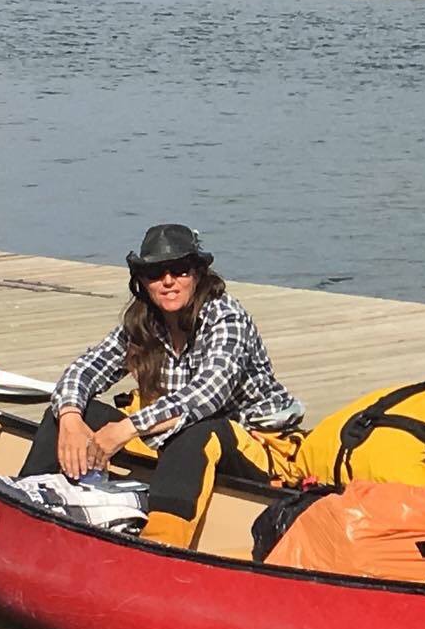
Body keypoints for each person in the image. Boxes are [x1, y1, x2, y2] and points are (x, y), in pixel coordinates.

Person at [18, 223, 304, 545]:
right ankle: (23, 511)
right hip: (175, 442)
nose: (168, 282)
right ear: (142, 281)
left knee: (196, 431)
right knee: (71, 414)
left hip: (258, 444)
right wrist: (70, 417)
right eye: (155, 273)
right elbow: (86, 368)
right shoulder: (145, 322)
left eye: (180, 270)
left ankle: (158, 547)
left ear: (197, 274)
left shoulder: (226, 319)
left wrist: (125, 429)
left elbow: (204, 396)